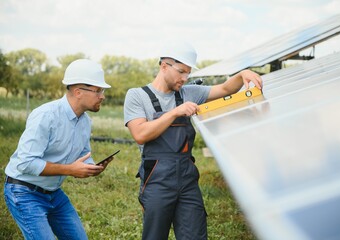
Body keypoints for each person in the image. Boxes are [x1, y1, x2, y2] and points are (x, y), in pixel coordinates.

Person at [124, 42, 263, 240]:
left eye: (188, 73)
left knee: (195, 235)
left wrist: (242, 74)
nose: (185, 78)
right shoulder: (137, 96)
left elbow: (225, 89)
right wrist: (175, 112)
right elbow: (140, 134)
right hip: (157, 179)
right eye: (181, 72)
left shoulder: (189, 93)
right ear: (164, 66)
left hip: (188, 180)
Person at [4, 59, 112, 240]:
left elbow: (83, 154)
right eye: (98, 90)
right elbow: (25, 163)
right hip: (24, 192)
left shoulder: (85, 121)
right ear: (78, 92)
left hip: (54, 194)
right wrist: (70, 170)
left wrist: (92, 167)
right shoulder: (46, 116)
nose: (102, 96)